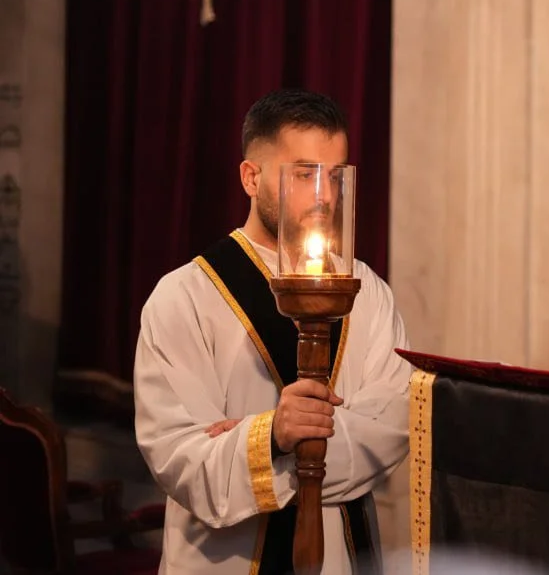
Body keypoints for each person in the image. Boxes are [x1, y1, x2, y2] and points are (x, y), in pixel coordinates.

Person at [134, 89, 412, 574]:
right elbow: (182, 461)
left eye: (334, 175)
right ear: (251, 176)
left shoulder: (368, 290)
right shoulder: (184, 297)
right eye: (305, 175)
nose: (324, 195)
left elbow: (391, 428)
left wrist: (245, 435)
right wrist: (272, 434)